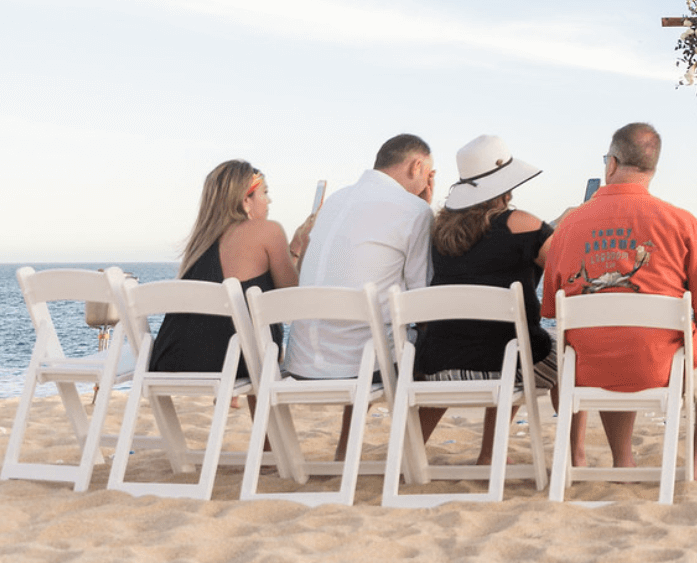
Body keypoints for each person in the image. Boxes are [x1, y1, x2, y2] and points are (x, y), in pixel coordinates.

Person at [541, 123, 697, 481]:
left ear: (612, 163)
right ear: (652, 169)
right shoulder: (681, 222)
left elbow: (554, 311)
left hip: (588, 370)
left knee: (610, 341)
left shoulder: (568, 227)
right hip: (662, 370)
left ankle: (623, 460)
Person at [412, 135, 558, 466]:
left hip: (437, 369)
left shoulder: (438, 230)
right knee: (558, 352)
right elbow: (563, 267)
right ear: (505, 185)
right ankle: (500, 453)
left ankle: (409, 447)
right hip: (501, 369)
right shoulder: (522, 224)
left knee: (468, 336)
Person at [288, 133, 437, 457]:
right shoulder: (414, 210)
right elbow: (420, 297)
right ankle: (409, 453)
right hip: (362, 367)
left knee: (369, 329)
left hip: (302, 363)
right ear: (417, 166)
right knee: (433, 346)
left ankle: (346, 447)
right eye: (429, 172)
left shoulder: (337, 200)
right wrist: (424, 209)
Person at [148, 160, 303, 383]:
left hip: (171, 360)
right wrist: (297, 249)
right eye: (264, 193)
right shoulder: (269, 231)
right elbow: (292, 300)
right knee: (259, 340)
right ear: (245, 200)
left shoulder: (199, 244)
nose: (269, 201)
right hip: (232, 361)